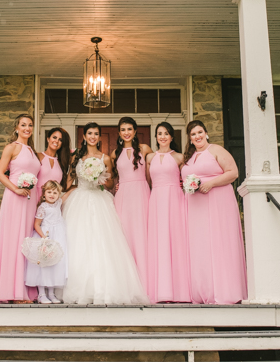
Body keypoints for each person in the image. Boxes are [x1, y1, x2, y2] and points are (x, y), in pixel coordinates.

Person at [62, 122, 149, 305]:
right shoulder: (76, 157)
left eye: (96, 133)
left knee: (103, 242)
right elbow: (70, 180)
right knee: (78, 242)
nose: (93, 136)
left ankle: (103, 287)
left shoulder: (106, 158)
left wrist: (99, 179)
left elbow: (110, 184)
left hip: (100, 199)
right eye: (89, 133)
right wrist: (61, 197)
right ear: (84, 137)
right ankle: (77, 286)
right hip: (80, 200)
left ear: (99, 137)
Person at [181, 120, 247, 304]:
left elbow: (233, 173)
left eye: (200, 132)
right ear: (190, 138)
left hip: (217, 203)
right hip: (195, 208)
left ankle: (225, 292)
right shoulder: (190, 157)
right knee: (200, 247)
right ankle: (203, 291)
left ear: (206, 133)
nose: (197, 136)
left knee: (218, 243)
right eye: (193, 134)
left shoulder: (216, 150)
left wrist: (210, 183)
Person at [0, 114, 42, 303]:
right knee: (15, 241)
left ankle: (25, 290)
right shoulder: (11, 147)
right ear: (17, 128)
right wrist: (16, 189)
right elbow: (0, 173)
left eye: (30, 125)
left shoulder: (32, 151)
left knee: (26, 242)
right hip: (15, 198)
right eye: (23, 125)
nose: (27, 128)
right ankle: (13, 292)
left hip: (30, 200)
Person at [146, 122, 190, 303]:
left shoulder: (180, 157)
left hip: (174, 199)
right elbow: (147, 181)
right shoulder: (149, 157)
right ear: (156, 137)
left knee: (175, 241)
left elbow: (187, 178)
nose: (162, 136)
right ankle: (159, 290)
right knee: (158, 241)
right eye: (159, 133)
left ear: (172, 137)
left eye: (166, 133)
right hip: (156, 198)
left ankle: (179, 291)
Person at [112, 117, 153, 292]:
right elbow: (115, 175)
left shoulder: (144, 149)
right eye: (123, 129)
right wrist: (116, 185)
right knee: (125, 234)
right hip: (123, 196)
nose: (126, 132)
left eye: (130, 129)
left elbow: (152, 173)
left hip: (141, 192)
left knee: (141, 233)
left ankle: (146, 282)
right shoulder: (115, 153)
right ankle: (126, 282)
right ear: (119, 132)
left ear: (135, 131)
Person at [25, 180, 68, 304]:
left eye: (55, 193)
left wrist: (75, 186)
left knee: (55, 265)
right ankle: (42, 294)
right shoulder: (43, 207)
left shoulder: (58, 203)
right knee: (43, 265)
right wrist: (43, 237)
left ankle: (51, 293)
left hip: (58, 237)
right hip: (45, 237)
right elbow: (37, 224)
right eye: (49, 192)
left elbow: (66, 195)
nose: (52, 195)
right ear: (44, 194)